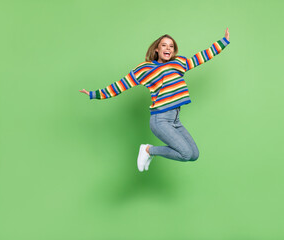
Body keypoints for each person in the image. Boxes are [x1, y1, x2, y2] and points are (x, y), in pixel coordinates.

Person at [80, 28, 230, 172]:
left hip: (175, 120)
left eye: (171, 46)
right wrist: (94, 94)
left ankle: (149, 151)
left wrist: (222, 42)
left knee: (193, 155)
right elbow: (121, 85)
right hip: (160, 120)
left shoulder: (179, 63)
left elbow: (201, 57)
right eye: (164, 45)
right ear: (157, 49)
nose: (168, 48)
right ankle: (148, 150)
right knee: (185, 153)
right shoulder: (145, 69)